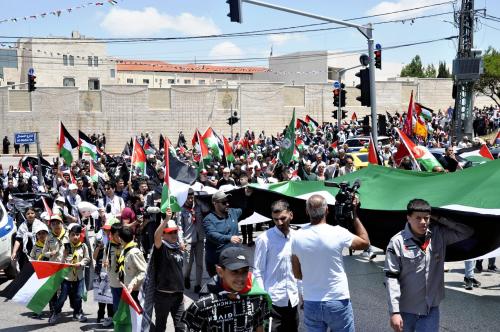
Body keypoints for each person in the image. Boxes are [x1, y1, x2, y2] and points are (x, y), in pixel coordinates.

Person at [384, 199, 474, 332]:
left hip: (430, 309)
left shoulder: (439, 235)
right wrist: (394, 312)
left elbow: (466, 232)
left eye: (426, 218)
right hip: (406, 310)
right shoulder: (397, 242)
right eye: (418, 218)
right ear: (408, 218)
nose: (423, 222)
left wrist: (440, 218)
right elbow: (391, 278)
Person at [291, 194, 370, 332]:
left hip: (311, 301)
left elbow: (297, 274)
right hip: (337, 300)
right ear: (327, 210)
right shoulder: (338, 232)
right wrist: (355, 215)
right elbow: (365, 243)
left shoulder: (296, 237)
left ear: (306, 211)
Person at [182, 247, 271, 332]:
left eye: (245, 271)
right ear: (220, 272)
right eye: (234, 272)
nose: (240, 278)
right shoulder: (203, 304)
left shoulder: (257, 299)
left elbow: (259, 327)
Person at [254, 199, 299, 332]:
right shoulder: (264, 239)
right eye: (275, 219)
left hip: (292, 300)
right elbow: (258, 271)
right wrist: (263, 298)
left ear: (291, 215)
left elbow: (299, 269)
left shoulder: (297, 237)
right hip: (273, 302)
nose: (279, 223)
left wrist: (303, 295)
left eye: (283, 218)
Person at [203, 190, 252, 277]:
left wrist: (247, 196)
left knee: (235, 287)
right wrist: (229, 238)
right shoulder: (209, 219)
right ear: (215, 203)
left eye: (227, 201)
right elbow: (211, 234)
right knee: (219, 288)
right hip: (217, 262)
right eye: (224, 202)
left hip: (234, 259)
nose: (227, 204)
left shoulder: (233, 212)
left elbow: (248, 211)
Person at [49, 224, 90, 325]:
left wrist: (81, 263)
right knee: (62, 297)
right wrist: (64, 255)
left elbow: (87, 258)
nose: (75, 237)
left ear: (80, 235)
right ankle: (56, 313)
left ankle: (77, 313)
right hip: (66, 277)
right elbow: (61, 261)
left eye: (77, 234)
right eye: (73, 234)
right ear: (69, 235)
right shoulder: (65, 246)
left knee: (78, 296)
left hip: (78, 277)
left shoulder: (83, 246)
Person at [153, 209, 186, 332]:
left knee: (181, 327)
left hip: (178, 296)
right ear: (164, 234)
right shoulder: (161, 247)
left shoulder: (178, 248)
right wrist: (166, 220)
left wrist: (181, 291)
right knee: (160, 327)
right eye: (170, 232)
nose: (173, 235)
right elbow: (156, 236)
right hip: (162, 296)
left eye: (175, 232)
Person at [176, 188, 205, 294]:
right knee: (188, 263)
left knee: (199, 264)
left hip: (199, 239)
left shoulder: (198, 206)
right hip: (188, 240)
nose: (190, 199)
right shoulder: (181, 209)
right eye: (188, 197)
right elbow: (179, 227)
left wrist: (200, 201)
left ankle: (198, 284)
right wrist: (181, 241)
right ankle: (186, 277)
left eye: (192, 197)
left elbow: (207, 209)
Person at [117, 226, 147, 304]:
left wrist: (133, 283)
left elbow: (143, 272)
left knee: (135, 315)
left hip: (134, 291)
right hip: (126, 288)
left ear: (121, 239)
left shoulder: (134, 252)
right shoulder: (125, 249)